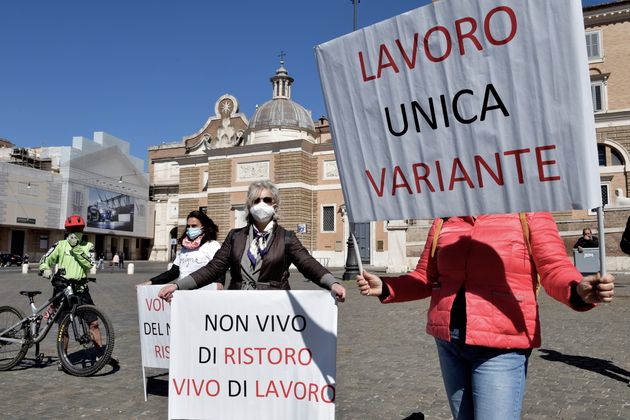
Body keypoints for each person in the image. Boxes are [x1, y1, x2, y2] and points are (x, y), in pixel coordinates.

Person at [356, 213, 614, 420]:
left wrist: (577, 289)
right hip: (450, 342)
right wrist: (388, 286)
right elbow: (425, 276)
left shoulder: (528, 212)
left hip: (502, 345)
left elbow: (553, 267)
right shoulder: (445, 218)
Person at [159, 180, 346, 302]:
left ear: (275, 205)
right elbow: (214, 268)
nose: (261, 204)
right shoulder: (235, 236)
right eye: (256, 201)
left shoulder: (287, 237)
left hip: (275, 307)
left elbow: (307, 263)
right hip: (238, 307)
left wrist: (332, 283)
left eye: (267, 199)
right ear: (249, 207)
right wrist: (178, 285)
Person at [39, 215, 118, 368]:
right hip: (62, 289)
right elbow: (45, 260)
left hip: (81, 290)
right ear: (67, 230)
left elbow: (89, 265)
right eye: (72, 230)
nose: (75, 232)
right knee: (64, 327)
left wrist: (76, 248)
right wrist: (46, 271)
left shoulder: (88, 245)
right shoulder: (60, 245)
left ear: (83, 230)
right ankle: (64, 358)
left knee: (93, 323)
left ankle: (101, 354)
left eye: (78, 229)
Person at [141, 210, 223, 286]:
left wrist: (219, 283)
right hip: (182, 290)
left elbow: (219, 267)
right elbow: (174, 272)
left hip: (203, 290)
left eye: (194, 226)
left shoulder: (212, 245)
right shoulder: (184, 248)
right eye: (188, 226)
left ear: (204, 227)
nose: (190, 229)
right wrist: (152, 281)